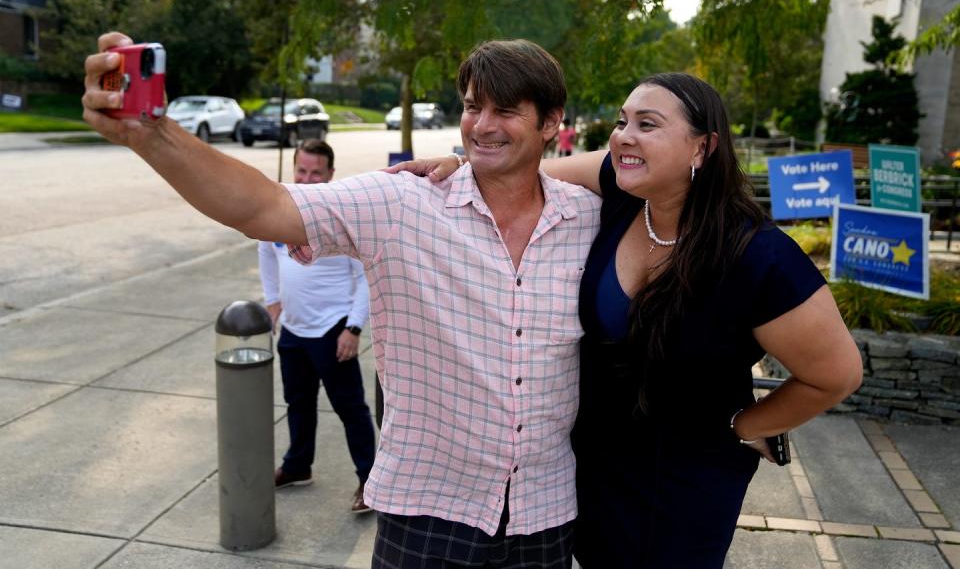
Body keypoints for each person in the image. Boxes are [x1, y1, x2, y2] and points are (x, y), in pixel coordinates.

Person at [83, 33, 602, 568]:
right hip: (426, 509)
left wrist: (530, 172)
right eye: (472, 107)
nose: (483, 125)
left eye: (507, 111)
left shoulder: (587, 217)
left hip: (545, 512)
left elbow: (659, 164)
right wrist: (153, 135)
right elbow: (264, 207)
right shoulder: (402, 203)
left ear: (550, 122)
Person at [390, 72, 863, 568]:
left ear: (702, 147)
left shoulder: (758, 256)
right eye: (622, 121)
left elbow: (836, 375)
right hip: (591, 472)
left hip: (683, 486)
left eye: (648, 124)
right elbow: (530, 169)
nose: (624, 136)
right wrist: (465, 164)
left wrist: (745, 424)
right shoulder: (619, 196)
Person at [258, 138, 376, 513]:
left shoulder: (341, 219)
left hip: (333, 329)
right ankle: (297, 466)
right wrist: (272, 299)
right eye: (301, 171)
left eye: (315, 173)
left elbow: (366, 278)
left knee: (351, 410)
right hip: (293, 331)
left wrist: (353, 328)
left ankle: (369, 481)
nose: (306, 180)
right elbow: (265, 249)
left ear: (330, 176)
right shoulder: (279, 211)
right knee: (298, 403)